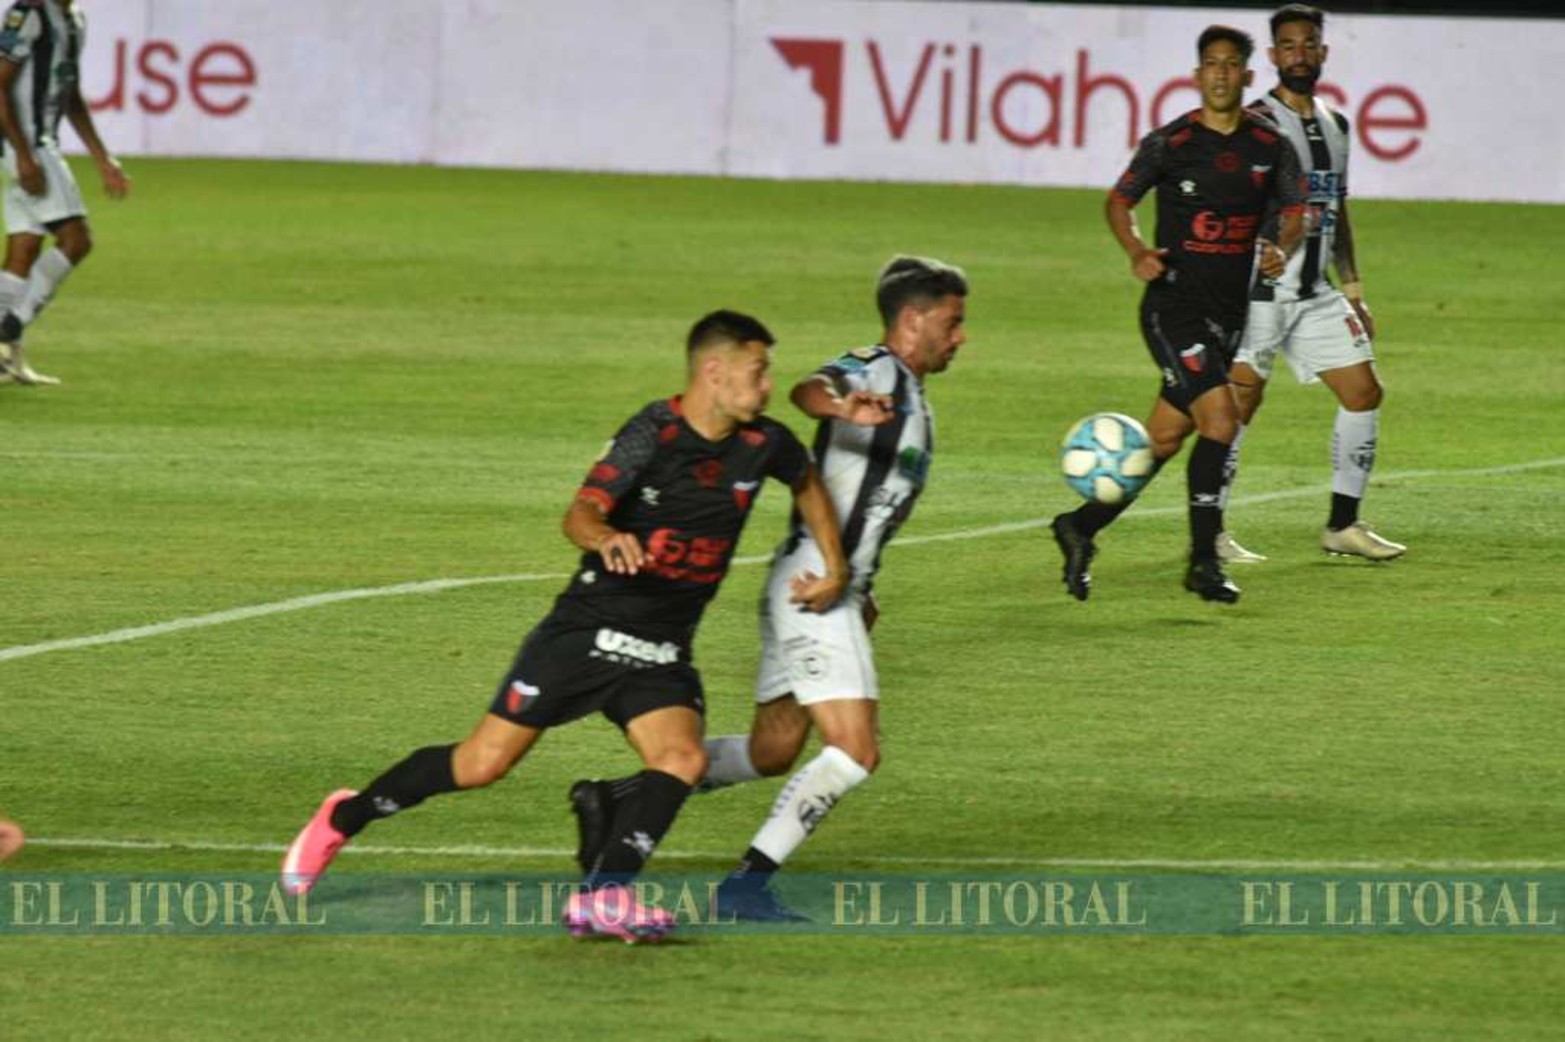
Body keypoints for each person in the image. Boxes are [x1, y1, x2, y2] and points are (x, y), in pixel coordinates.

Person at [280, 311, 849, 943]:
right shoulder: (651, 433)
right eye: (757, 370)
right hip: (587, 632)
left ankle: (604, 898)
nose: (768, 385)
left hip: (661, 648)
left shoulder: (764, 442)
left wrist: (836, 563)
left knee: (682, 758)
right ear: (714, 372)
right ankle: (344, 816)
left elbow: (807, 482)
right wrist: (607, 538)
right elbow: (580, 514)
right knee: (481, 764)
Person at [572, 256, 967, 921]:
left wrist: (861, 588)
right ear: (912, 318)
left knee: (772, 750)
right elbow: (811, 390)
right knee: (854, 748)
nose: (959, 337)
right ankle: (745, 887)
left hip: (822, 583)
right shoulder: (877, 369)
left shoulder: (913, 396)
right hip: (817, 583)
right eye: (952, 323)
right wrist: (844, 403)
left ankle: (619, 799)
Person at [1050, 25, 1306, 604]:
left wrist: (1280, 247)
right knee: (1221, 422)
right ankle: (1202, 561)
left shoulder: (1270, 146)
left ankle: (1079, 526)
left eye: (1230, 65)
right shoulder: (1170, 142)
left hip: (1228, 314)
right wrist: (1137, 251)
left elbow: (1296, 211)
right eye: (1209, 64)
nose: (1219, 74)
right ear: (1197, 75)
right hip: (1173, 309)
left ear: (1246, 75)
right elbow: (1120, 201)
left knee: (1163, 440)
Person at [1218, 4, 1405, 562]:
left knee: (1364, 391)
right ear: (1273, 56)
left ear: (1323, 51)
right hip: (1258, 295)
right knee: (1237, 407)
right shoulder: (1254, 124)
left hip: (1316, 291)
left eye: (1310, 45)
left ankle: (1342, 527)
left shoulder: (1336, 123)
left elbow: (1337, 207)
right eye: (1289, 47)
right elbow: (1230, 201)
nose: (1300, 56)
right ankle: (1211, 532)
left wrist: (1353, 287)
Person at [0, 0, 129, 387]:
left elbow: (69, 94)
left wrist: (102, 156)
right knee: (76, 239)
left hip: (37, 144)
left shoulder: (74, 20)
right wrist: (23, 155)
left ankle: (6, 358)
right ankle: (8, 328)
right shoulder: (29, 13)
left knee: (23, 249)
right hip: (25, 144)